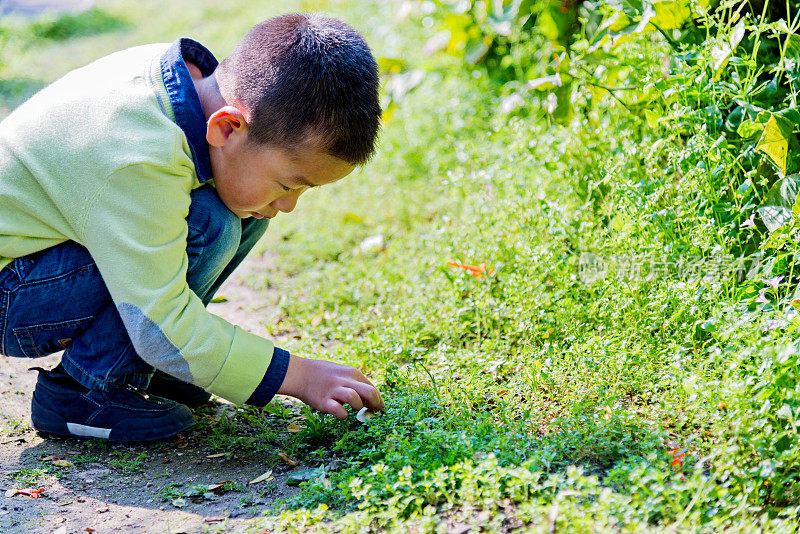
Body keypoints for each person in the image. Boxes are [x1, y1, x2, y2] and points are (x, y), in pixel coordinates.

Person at [0, 13, 385, 442]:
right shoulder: (141, 156)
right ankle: (84, 391)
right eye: (287, 183)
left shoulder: (188, 88)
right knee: (211, 221)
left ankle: (143, 366)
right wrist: (300, 376)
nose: (289, 204)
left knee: (247, 209)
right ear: (226, 126)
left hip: (37, 259)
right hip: (8, 292)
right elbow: (159, 319)